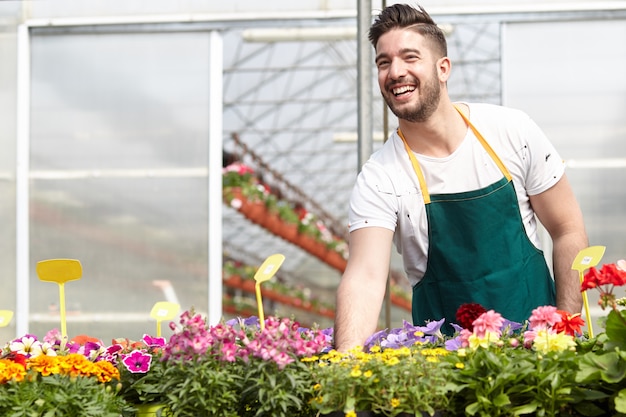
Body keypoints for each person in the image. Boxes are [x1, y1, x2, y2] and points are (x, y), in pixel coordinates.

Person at [333, 3, 588, 349]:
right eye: (384, 62)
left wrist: (567, 329)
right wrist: (346, 369)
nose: (395, 72)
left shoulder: (511, 131)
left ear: (443, 68)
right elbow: (365, 276)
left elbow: (567, 229)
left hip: (538, 363)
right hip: (446, 377)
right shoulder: (380, 176)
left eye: (410, 57)